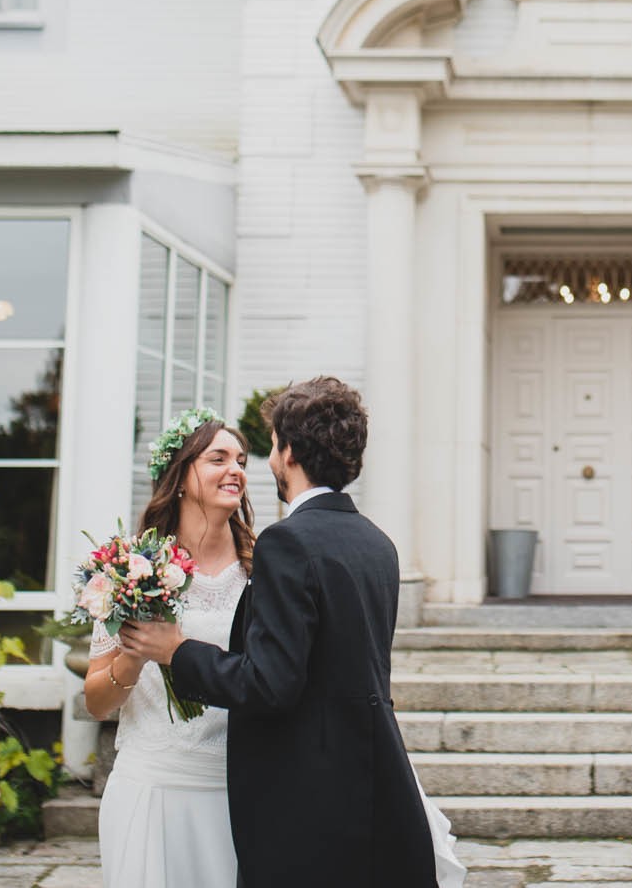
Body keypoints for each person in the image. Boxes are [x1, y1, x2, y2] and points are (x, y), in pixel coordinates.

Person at [122, 378, 462, 888]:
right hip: (370, 783)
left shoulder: (286, 543)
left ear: (290, 451)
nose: (268, 462)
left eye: (274, 447)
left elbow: (270, 684)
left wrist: (178, 652)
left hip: (303, 798)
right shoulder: (378, 544)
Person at [84, 409, 254, 888]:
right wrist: (134, 656)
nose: (235, 470)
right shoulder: (131, 568)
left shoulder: (262, 567)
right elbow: (96, 702)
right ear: (180, 476)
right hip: (152, 786)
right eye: (218, 458)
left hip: (237, 788)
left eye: (240, 460)